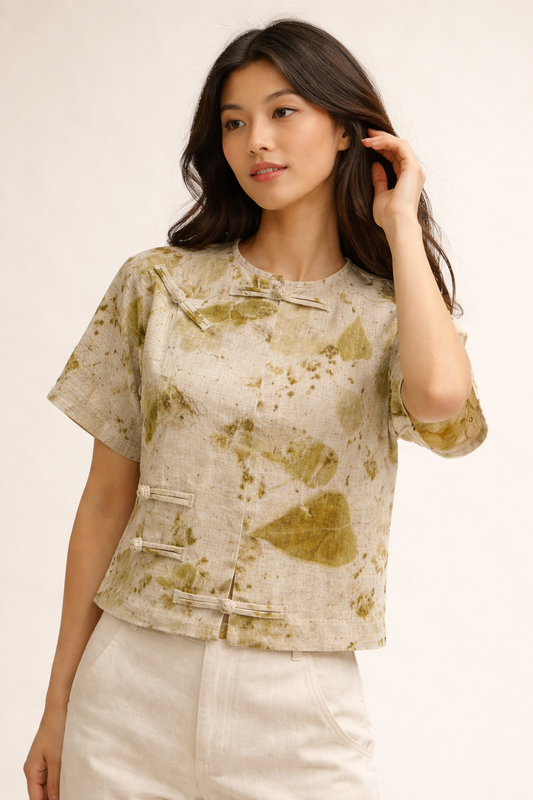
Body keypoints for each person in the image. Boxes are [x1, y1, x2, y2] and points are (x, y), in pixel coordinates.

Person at [24, 17, 488, 800]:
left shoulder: (391, 314)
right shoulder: (158, 286)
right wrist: (58, 702)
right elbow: (105, 502)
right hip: (131, 683)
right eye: (233, 122)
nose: (255, 142)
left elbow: (442, 403)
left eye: (282, 112)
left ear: (345, 129)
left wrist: (400, 225)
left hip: (297, 702)